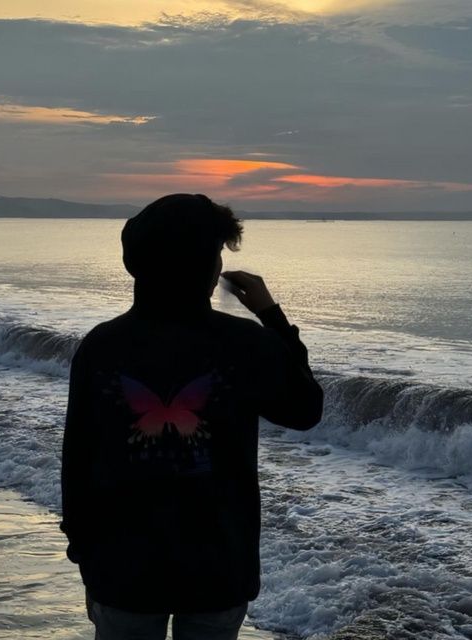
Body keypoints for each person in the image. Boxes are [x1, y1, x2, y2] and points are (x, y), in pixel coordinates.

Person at [59, 193, 323, 640]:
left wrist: (82, 549)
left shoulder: (102, 345)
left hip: (122, 564)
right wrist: (271, 315)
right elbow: (305, 409)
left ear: (135, 262)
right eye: (217, 252)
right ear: (209, 267)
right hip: (217, 564)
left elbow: (78, 457)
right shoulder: (244, 343)